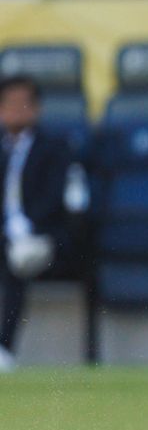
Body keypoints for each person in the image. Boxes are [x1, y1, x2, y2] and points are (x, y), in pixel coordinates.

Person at [0, 75, 70, 372]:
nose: (17, 110)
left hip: (41, 235)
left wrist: (25, 226)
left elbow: (55, 197)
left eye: (23, 103)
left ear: (37, 109)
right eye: (9, 104)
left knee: (17, 260)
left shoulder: (54, 147)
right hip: (4, 233)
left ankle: (4, 348)